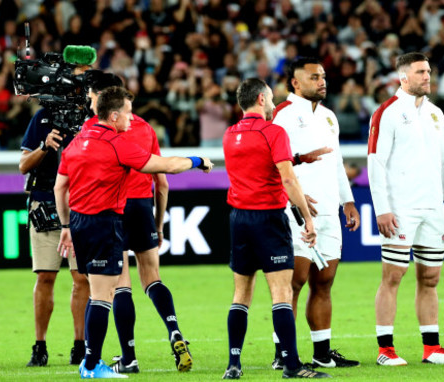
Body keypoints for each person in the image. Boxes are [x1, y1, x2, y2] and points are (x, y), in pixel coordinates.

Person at [54, 86, 213, 379]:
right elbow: (163, 168)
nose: (132, 118)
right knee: (104, 295)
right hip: (107, 223)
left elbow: (59, 187)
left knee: (101, 293)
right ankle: (92, 366)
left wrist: (65, 226)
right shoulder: (117, 143)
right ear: (113, 115)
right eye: (128, 112)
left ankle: (109, 360)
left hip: (79, 223)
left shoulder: (77, 140)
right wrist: (198, 161)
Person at [81, 73, 192, 374]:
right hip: (143, 205)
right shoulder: (144, 127)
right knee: (152, 277)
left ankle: (128, 357)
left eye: (92, 94)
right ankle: (175, 331)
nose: (89, 99)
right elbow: (163, 183)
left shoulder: (94, 129)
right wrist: (158, 224)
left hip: (112, 207)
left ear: (104, 97)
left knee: (121, 285)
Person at [221, 78, 331, 379]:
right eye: (270, 98)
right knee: (281, 293)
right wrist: (307, 217)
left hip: (239, 219)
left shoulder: (230, 134)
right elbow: (287, 179)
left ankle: (233, 364)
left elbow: (257, 164)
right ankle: (292, 366)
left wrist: (298, 158)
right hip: (269, 219)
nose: (272, 103)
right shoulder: (274, 131)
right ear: (260, 99)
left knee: (241, 294)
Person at [368, 52, 444, 366]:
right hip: (401, 209)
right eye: (421, 72)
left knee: (430, 278)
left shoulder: (436, 113)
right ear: (403, 77)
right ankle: (386, 350)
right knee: (393, 276)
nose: (428, 76)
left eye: (429, 71)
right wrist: (382, 208)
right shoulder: (387, 112)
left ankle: (431, 349)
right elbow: (375, 162)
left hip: (432, 209)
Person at [270, 57, 361, 370]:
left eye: (323, 76)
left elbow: (336, 163)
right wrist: (289, 196)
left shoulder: (329, 117)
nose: (322, 81)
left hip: (328, 211)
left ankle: (322, 354)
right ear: (295, 83)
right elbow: (268, 162)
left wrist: (347, 201)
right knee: (294, 282)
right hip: (294, 212)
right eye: (314, 77)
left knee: (325, 281)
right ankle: (284, 354)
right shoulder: (280, 115)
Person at [19, 63, 91, 368]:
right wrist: (45, 146)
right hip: (45, 199)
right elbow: (24, 165)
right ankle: (40, 345)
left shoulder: (91, 121)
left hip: (83, 203)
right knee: (46, 276)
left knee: (81, 277)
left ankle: (80, 345)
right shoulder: (43, 118)